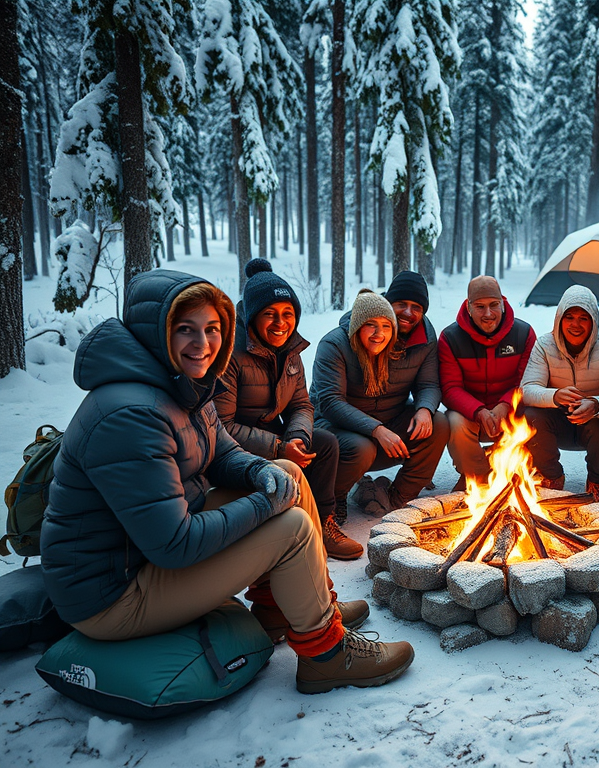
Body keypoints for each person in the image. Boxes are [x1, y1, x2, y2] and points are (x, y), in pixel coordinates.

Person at [40, 270, 414, 694]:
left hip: (146, 557)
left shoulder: (181, 383)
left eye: (213, 329)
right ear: (157, 333)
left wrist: (259, 471)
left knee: (287, 473)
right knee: (288, 526)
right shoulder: (132, 414)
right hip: (114, 595)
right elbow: (174, 543)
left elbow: (222, 449)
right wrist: (263, 505)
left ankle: (286, 608)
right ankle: (326, 655)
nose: (203, 344)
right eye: (186, 330)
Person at [214, 259, 362, 561]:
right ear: (253, 317)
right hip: (231, 448)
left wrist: (296, 439)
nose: (281, 323)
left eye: (288, 314)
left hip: (272, 434)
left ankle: (322, 523)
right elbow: (222, 426)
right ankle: (280, 531)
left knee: (325, 443)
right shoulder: (230, 353)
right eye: (270, 314)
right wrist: (279, 447)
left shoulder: (291, 351)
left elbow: (301, 405)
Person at [310, 288, 449, 517]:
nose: (378, 333)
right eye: (370, 325)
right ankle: (331, 502)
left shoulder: (394, 346)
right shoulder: (334, 345)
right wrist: (376, 430)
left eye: (386, 326)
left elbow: (428, 384)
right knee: (361, 448)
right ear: (357, 325)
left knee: (439, 422)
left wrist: (424, 409)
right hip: (337, 430)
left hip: (387, 425)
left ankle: (398, 499)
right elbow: (330, 402)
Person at [520, 285, 599, 502]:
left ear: (594, 322)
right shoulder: (544, 345)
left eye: (584, 318)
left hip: (593, 419)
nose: (575, 325)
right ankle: (552, 477)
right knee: (531, 415)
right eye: (569, 317)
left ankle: (597, 484)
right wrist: (555, 396)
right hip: (556, 417)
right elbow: (527, 389)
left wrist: (596, 404)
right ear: (559, 318)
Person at [438, 276, 536, 489]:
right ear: (468, 307)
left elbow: (527, 381)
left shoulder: (524, 334)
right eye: (480, 307)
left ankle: (511, 469)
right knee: (453, 422)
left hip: (510, 409)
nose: (488, 314)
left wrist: (505, 404)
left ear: (503, 303)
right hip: (470, 412)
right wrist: (479, 410)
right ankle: (477, 476)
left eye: (494, 305)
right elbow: (450, 387)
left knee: (536, 414)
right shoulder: (450, 338)